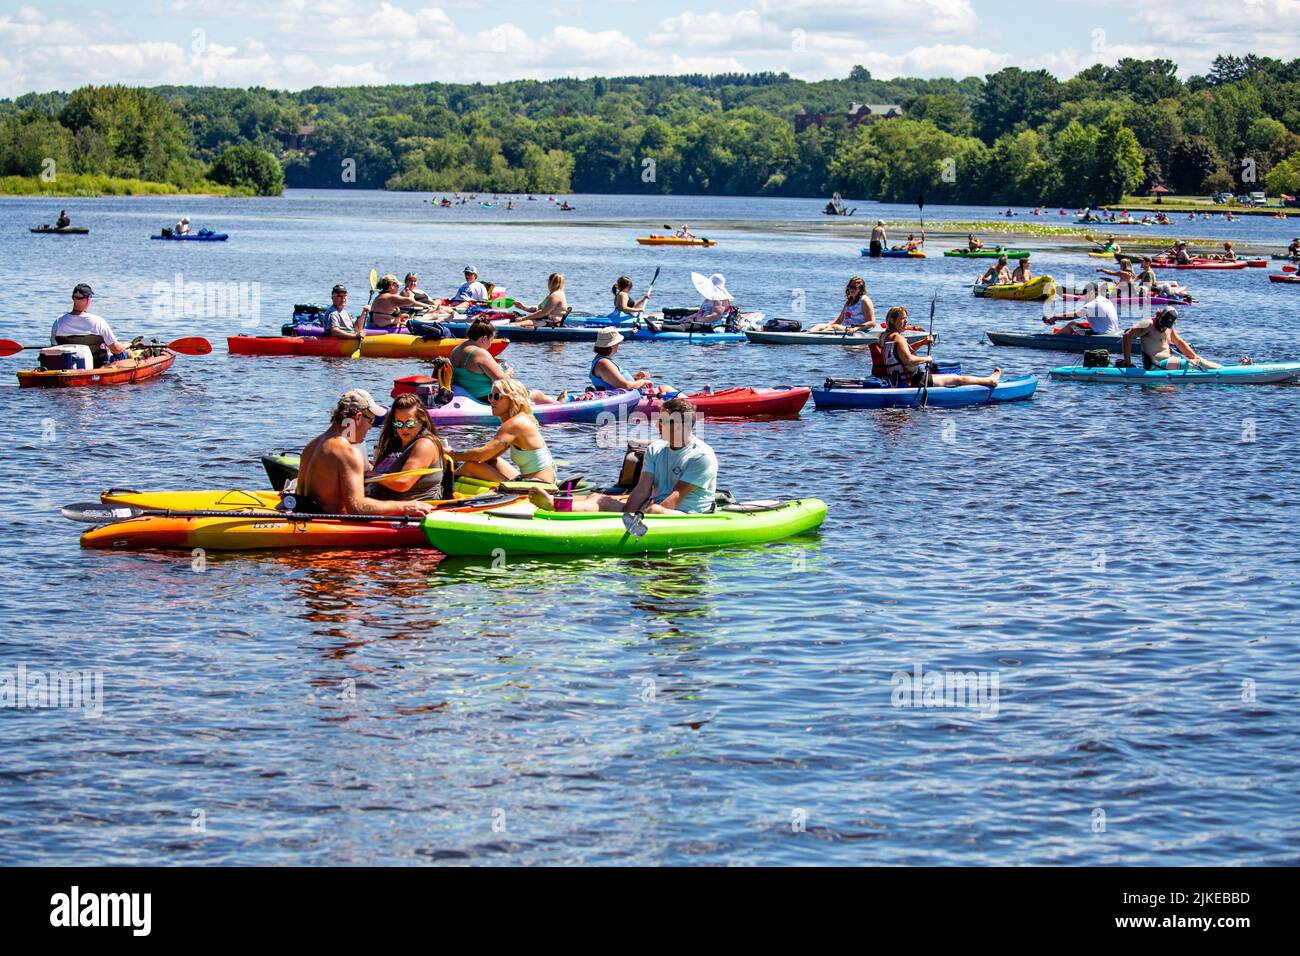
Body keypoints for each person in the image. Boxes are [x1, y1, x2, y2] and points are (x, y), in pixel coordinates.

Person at [528, 397, 717, 516]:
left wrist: (641, 518)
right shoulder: (655, 449)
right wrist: (626, 514)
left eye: (663, 421)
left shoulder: (701, 456)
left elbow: (675, 498)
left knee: (656, 509)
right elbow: (642, 488)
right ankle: (555, 505)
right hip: (654, 509)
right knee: (598, 498)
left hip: (688, 514)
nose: (657, 425)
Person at [292, 389, 432, 516]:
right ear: (358, 417)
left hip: (307, 517)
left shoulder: (311, 445)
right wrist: (405, 507)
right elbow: (358, 508)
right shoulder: (347, 452)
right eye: (370, 420)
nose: (370, 427)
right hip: (334, 529)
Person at [452, 378, 556, 483]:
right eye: (490, 396)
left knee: (471, 466)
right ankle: (452, 478)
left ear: (512, 399)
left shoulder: (515, 424)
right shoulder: (520, 420)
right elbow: (489, 456)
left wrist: (453, 455)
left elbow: (481, 455)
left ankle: (446, 484)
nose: (491, 400)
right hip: (535, 480)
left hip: (541, 486)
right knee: (493, 462)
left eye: (497, 397)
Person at [878, 306, 1001, 388]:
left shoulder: (884, 337)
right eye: (903, 319)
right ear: (893, 321)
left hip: (897, 378)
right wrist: (927, 359)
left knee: (942, 373)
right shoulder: (899, 338)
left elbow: (900, 353)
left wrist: (922, 342)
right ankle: (990, 381)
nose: (906, 322)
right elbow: (908, 359)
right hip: (914, 380)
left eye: (906, 319)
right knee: (955, 378)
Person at [449, 319, 559, 405]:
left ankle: (557, 401)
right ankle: (560, 405)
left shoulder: (456, 350)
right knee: (537, 395)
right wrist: (509, 371)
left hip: (469, 394)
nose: (490, 344)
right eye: (491, 340)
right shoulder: (479, 353)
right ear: (484, 338)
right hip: (486, 398)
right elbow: (502, 382)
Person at [368, 394, 449, 501]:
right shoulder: (396, 443)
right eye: (399, 424)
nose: (404, 429)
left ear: (422, 419)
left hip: (407, 510)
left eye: (410, 423)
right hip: (377, 500)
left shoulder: (424, 445)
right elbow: (382, 471)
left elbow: (403, 483)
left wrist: (371, 476)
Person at [50, 283, 133, 367]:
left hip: (68, 366)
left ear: (73, 298)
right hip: (97, 366)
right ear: (88, 299)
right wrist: (127, 344)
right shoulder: (98, 321)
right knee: (127, 352)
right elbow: (116, 349)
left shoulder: (58, 321)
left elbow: (54, 347)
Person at [1119, 307, 1225, 371]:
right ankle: (1222, 371)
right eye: (1163, 323)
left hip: (1168, 361)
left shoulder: (1169, 326)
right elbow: (1127, 336)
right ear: (1160, 316)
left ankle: (1221, 369)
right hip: (1156, 365)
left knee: (1196, 359)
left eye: (1168, 325)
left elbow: (1178, 342)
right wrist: (1127, 362)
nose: (1164, 327)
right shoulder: (1148, 324)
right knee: (1197, 363)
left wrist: (1193, 355)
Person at [644, 272, 732, 333]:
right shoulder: (709, 299)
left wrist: (694, 320)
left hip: (713, 327)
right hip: (701, 323)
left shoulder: (721, 300)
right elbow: (700, 312)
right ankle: (652, 327)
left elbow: (714, 316)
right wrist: (686, 318)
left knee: (686, 326)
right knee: (680, 322)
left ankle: (659, 327)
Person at [589, 328, 670, 392]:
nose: (619, 345)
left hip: (627, 397)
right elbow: (626, 387)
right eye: (618, 343)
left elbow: (616, 382)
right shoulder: (603, 363)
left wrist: (636, 379)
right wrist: (643, 382)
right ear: (612, 345)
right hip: (623, 402)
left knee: (667, 388)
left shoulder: (603, 361)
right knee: (668, 389)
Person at [1043, 284, 1120, 337]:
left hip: (1101, 335)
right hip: (1115, 334)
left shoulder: (1093, 303)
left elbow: (1074, 315)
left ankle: (1053, 339)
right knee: (1081, 326)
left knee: (1072, 325)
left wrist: (1055, 317)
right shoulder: (1106, 301)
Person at [809, 276, 875, 333]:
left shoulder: (864, 300)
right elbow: (839, 320)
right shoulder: (849, 301)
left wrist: (856, 328)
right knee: (820, 325)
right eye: (850, 287)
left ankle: (817, 337)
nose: (851, 289)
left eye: (854, 287)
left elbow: (871, 322)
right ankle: (806, 335)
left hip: (854, 330)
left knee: (835, 327)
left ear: (860, 289)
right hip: (844, 328)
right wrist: (828, 325)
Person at [366, 274, 434, 329]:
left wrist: (400, 317)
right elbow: (411, 301)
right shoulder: (391, 297)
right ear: (392, 286)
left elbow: (384, 315)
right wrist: (411, 294)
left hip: (377, 325)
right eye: (397, 286)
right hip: (386, 328)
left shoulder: (378, 297)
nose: (398, 288)